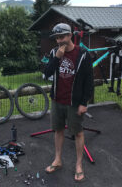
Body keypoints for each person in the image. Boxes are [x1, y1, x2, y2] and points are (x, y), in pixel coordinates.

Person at [44, 23, 93, 182]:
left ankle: (79, 165)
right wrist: (57, 58)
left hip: (74, 102)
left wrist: (84, 102)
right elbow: (47, 73)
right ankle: (58, 160)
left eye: (62, 37)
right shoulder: (54, 52)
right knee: (58, 130)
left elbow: (89, 81)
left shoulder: (83, 54)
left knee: (78, 132)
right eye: (57, 38)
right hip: (57, 100)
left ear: (70, 36)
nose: (59, 41)